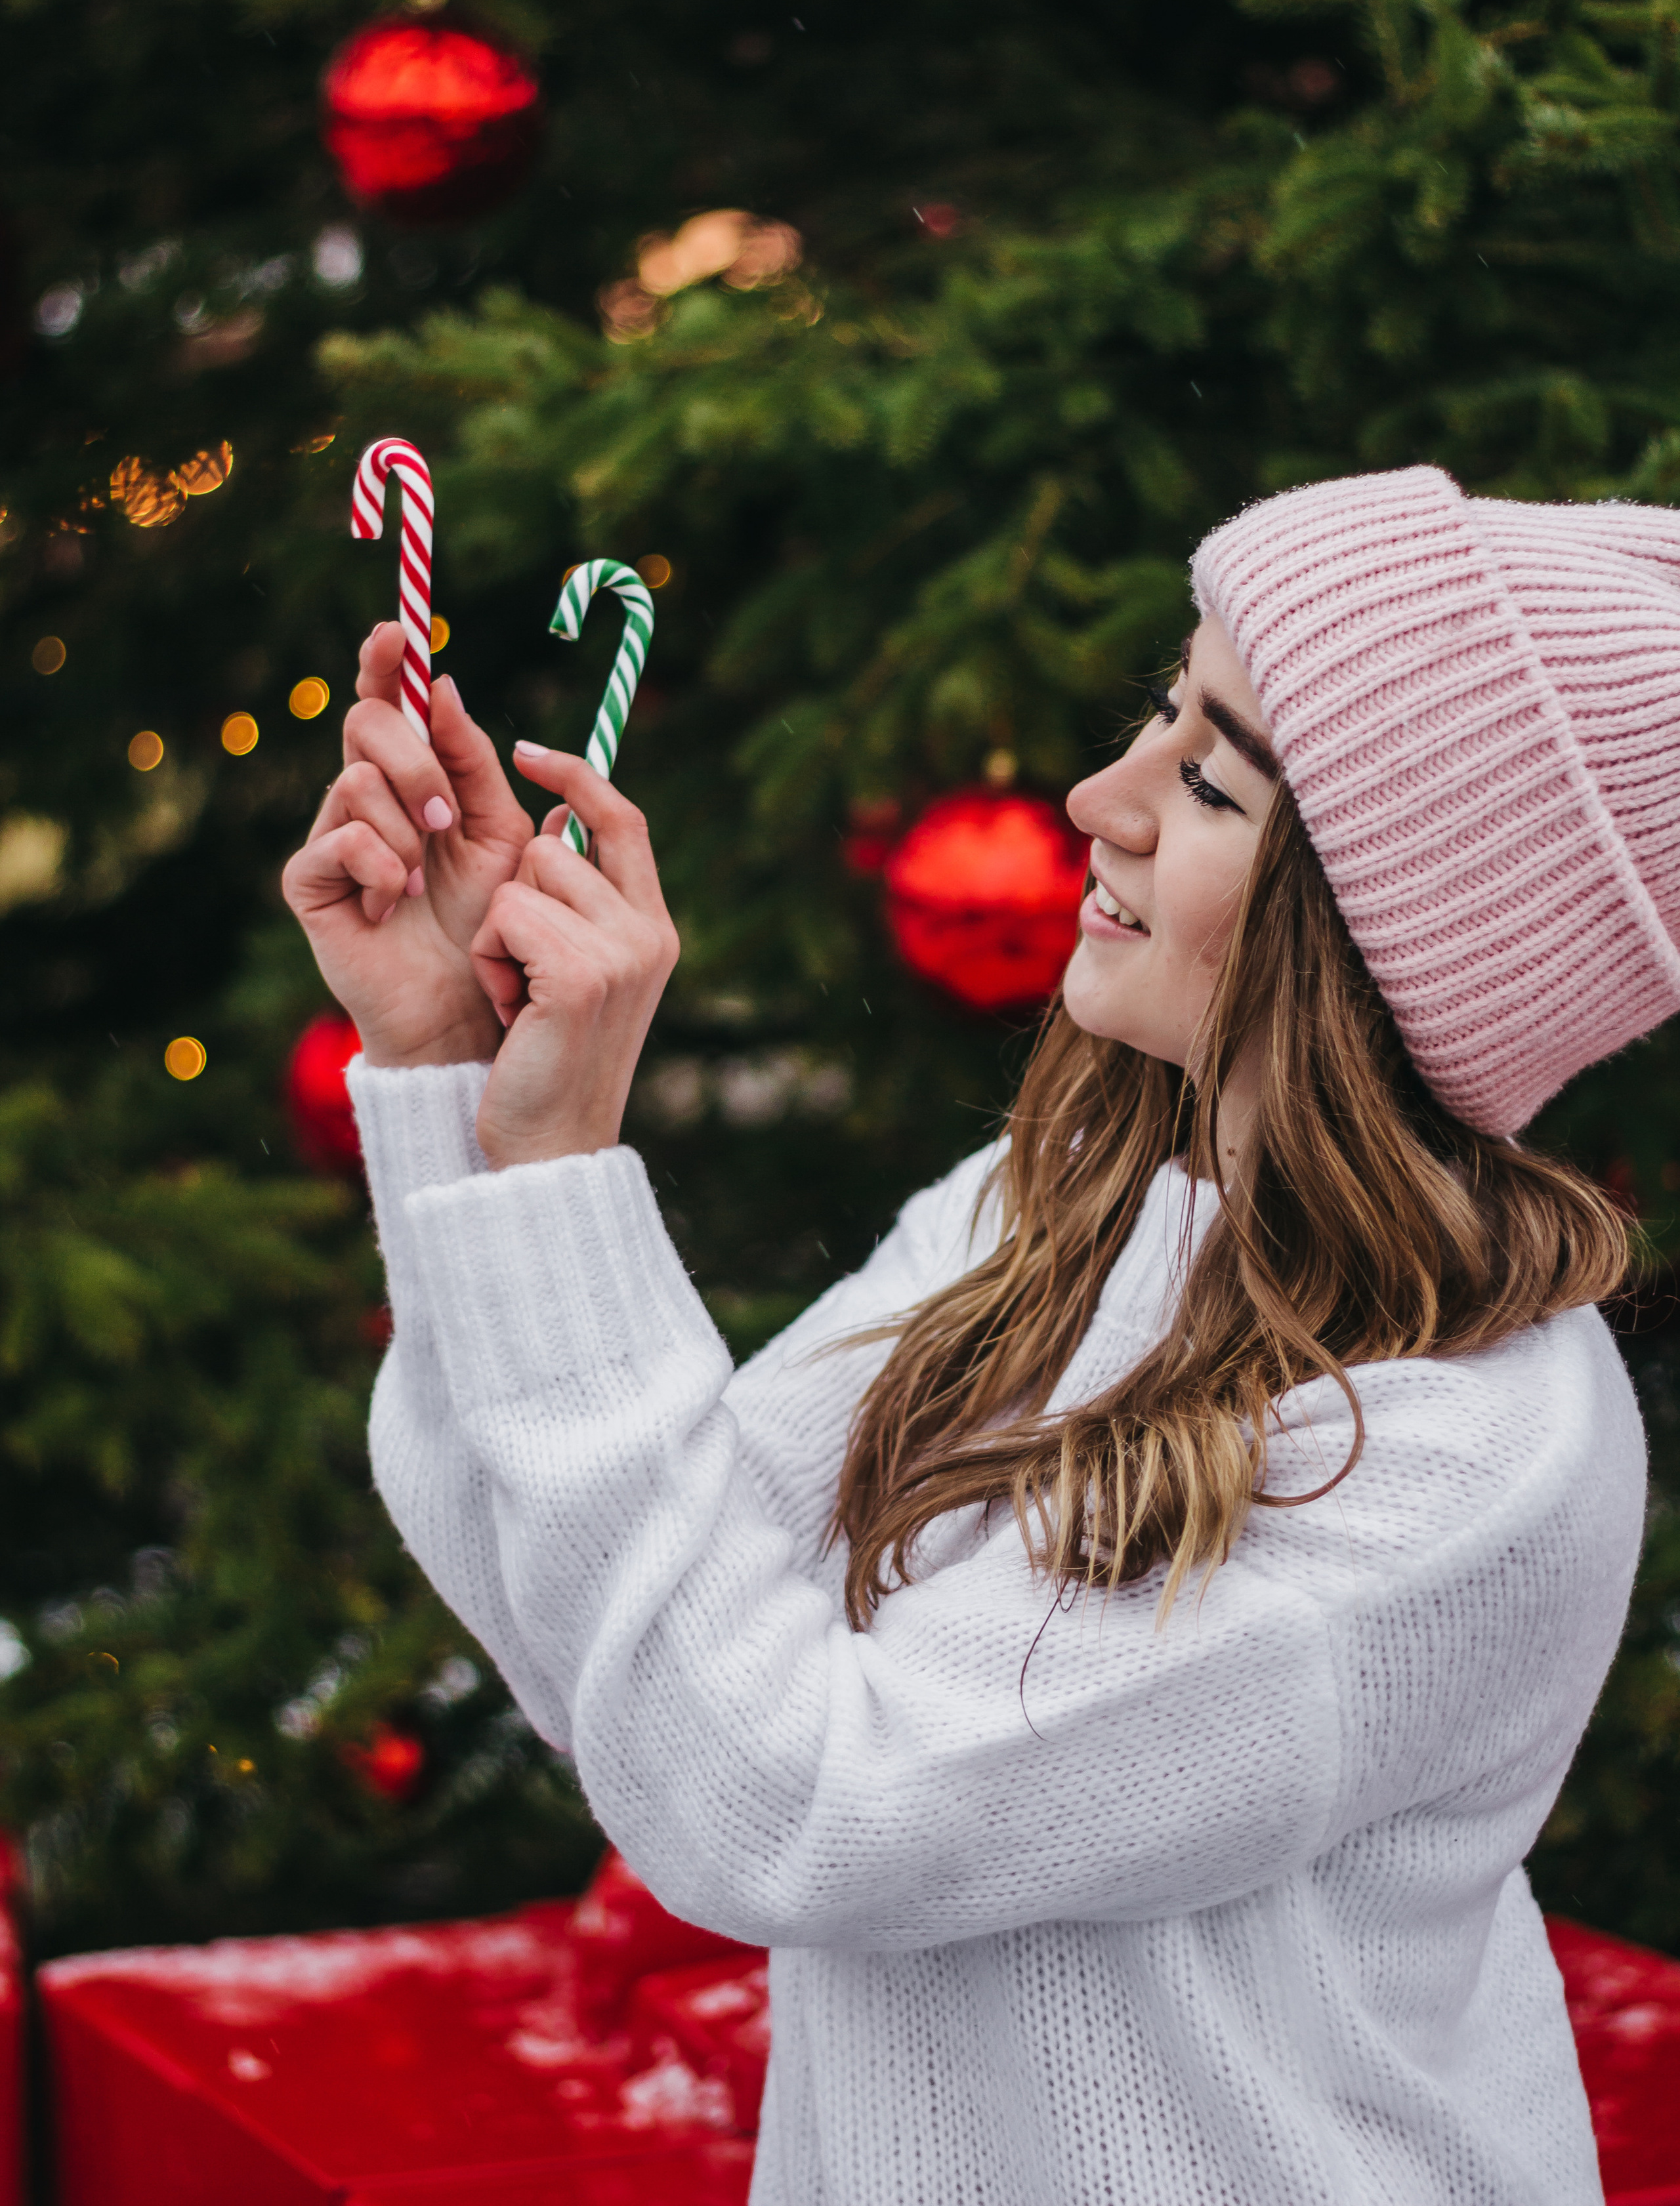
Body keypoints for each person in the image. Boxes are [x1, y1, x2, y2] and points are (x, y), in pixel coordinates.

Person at [282, 463, 1677, 2205]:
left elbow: (784, 1802)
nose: (1103, 797)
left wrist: (556, 1171)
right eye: (1161, 713)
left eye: (1216, 779)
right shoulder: (1047, 1210)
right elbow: (620, 1658)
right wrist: (441, 1077)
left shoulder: (1455, 1452)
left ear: (1388, 935)